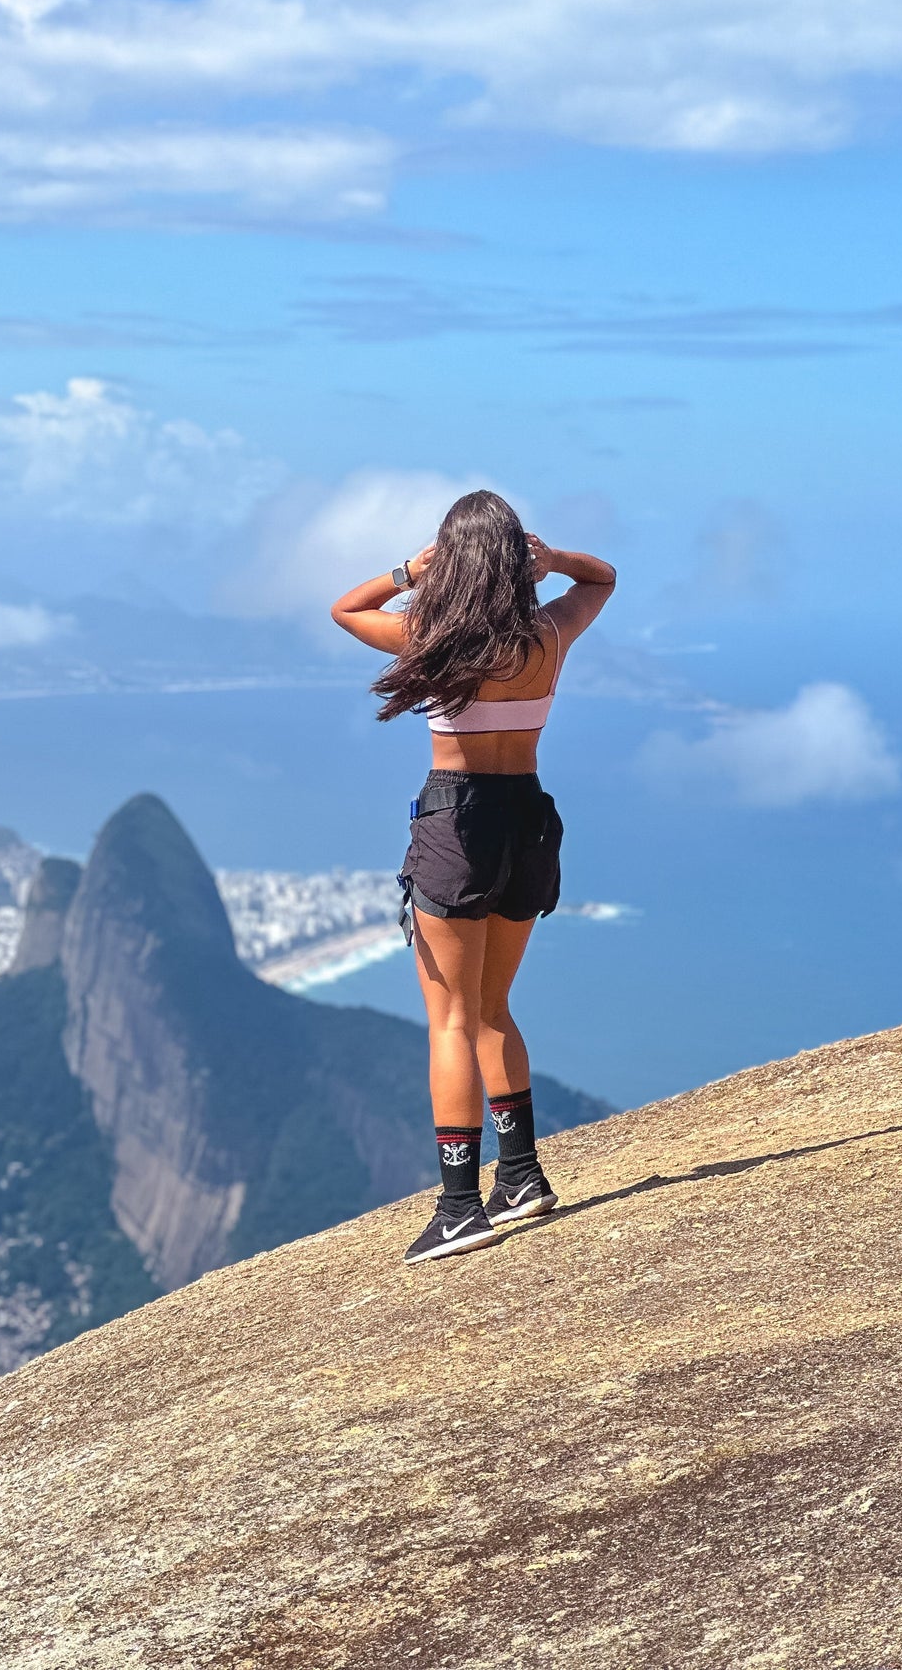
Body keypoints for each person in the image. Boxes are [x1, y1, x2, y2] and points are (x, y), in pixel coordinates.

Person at [330, 490, 616, 1264]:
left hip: (455, 823)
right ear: (515, 559)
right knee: (492, 1006)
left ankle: (460, 1207)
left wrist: (405, 570)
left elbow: (344, 609)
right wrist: (556, 562)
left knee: (451, 1018)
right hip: (527, 819)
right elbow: (603, 579)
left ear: (453, 561)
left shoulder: (431, 635)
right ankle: (519, 1173)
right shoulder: (547, 634)